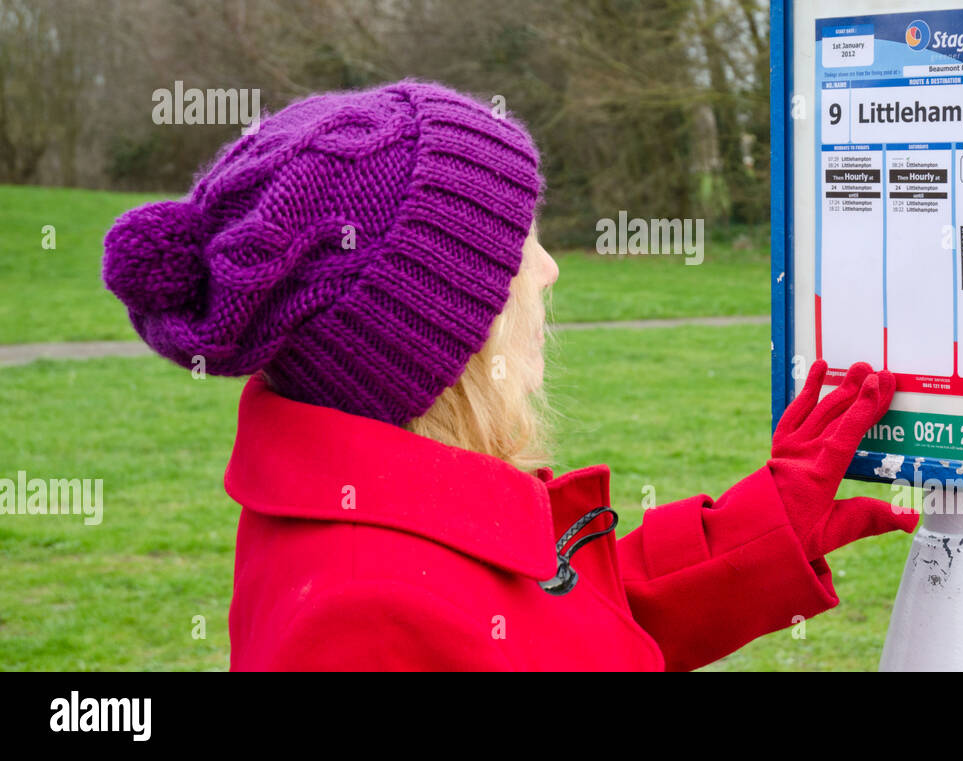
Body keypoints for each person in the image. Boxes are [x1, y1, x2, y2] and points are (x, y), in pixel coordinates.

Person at [102, 80, 918, 671]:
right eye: (519, 244)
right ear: (439, 327)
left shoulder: (397, 531)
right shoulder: (361, 623)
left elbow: (564, 630)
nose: (549, 269)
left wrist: (763, 526)